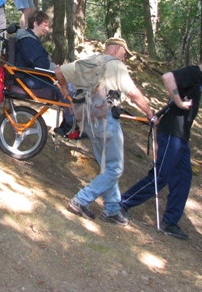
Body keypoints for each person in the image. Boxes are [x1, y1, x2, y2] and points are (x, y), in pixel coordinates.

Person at [120, 49, 202, 239]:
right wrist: (178, 101)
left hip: (181, 137)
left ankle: (170, 222)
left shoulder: (199, 80)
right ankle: (121, 204)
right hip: (172, 133)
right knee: (161, 175)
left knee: (184, 177)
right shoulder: (194, 72)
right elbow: (168, 77)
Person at [55, 38, 153, 226]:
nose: (125, 57)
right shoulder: (116, 66)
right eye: (125, 53)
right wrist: (150, 114)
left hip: (88, 121)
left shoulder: (89, 61)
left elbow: (58, 71)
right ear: (117, 49)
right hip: (107, 120)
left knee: (106, 168)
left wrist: (65, 89)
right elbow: (133, 94)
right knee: (114, 169)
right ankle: (81, 200)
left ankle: (112, 210)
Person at [14, 10, 75, 132]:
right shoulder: (28, 40)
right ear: (36, 23)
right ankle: (70, 125)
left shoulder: (31, 39)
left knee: (68, 84)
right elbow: (38, 62)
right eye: (45, 25)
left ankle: (69, 122)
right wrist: (54, 68)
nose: (47, 29)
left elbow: (39, 62)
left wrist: (54, 68)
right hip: (29, 77)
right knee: (66, 87)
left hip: (32, 75)